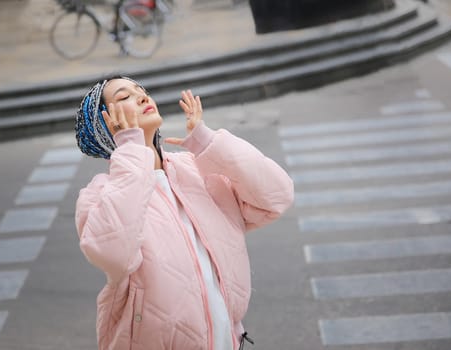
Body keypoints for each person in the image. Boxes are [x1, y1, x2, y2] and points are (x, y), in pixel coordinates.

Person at [74, 76, 294, 350]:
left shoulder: (194, 167)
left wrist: (206, 142)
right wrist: (129, 150)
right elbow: (114, 254)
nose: (142, 97)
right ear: (105, 124)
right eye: (123, 97)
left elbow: (276, 196)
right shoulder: (100, 194)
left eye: (141, 90)